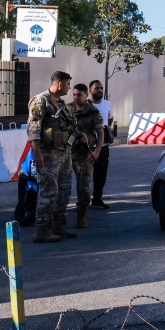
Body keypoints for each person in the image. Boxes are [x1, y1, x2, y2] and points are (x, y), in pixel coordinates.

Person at [27, 71, 77, 243]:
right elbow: (33, 129)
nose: (70, 88)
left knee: (64, 190)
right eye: (69, 84)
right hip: (48, 154)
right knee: (49, 191)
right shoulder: (41, 100)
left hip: (64, 153)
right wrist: (37, 154)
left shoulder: (61, 104)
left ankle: (58, 226)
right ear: (61, 84)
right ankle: (42, 230)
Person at [68, 83, 105, 229]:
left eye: (79, 95)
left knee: (83, 185)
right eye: (74, 95)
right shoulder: (67, 109)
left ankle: (81, 214)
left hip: (84, 153)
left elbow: (100, 133)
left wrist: (97, 152)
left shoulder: (92, 111)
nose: (76, 98)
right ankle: (58, 216)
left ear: (85, 95)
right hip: (67, 151)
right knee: (62, 183)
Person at [88, 79, 114, 209]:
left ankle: (97, 199)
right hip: (86, 147)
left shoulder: (107, 104)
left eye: (101, 88)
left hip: (103, 146)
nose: (100, 90)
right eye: (97, 88)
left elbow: (110, 119)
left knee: (101, 174)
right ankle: (83, 200)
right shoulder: (85, 105)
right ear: (90, 90)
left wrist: (104, 133)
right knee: (84, 174)